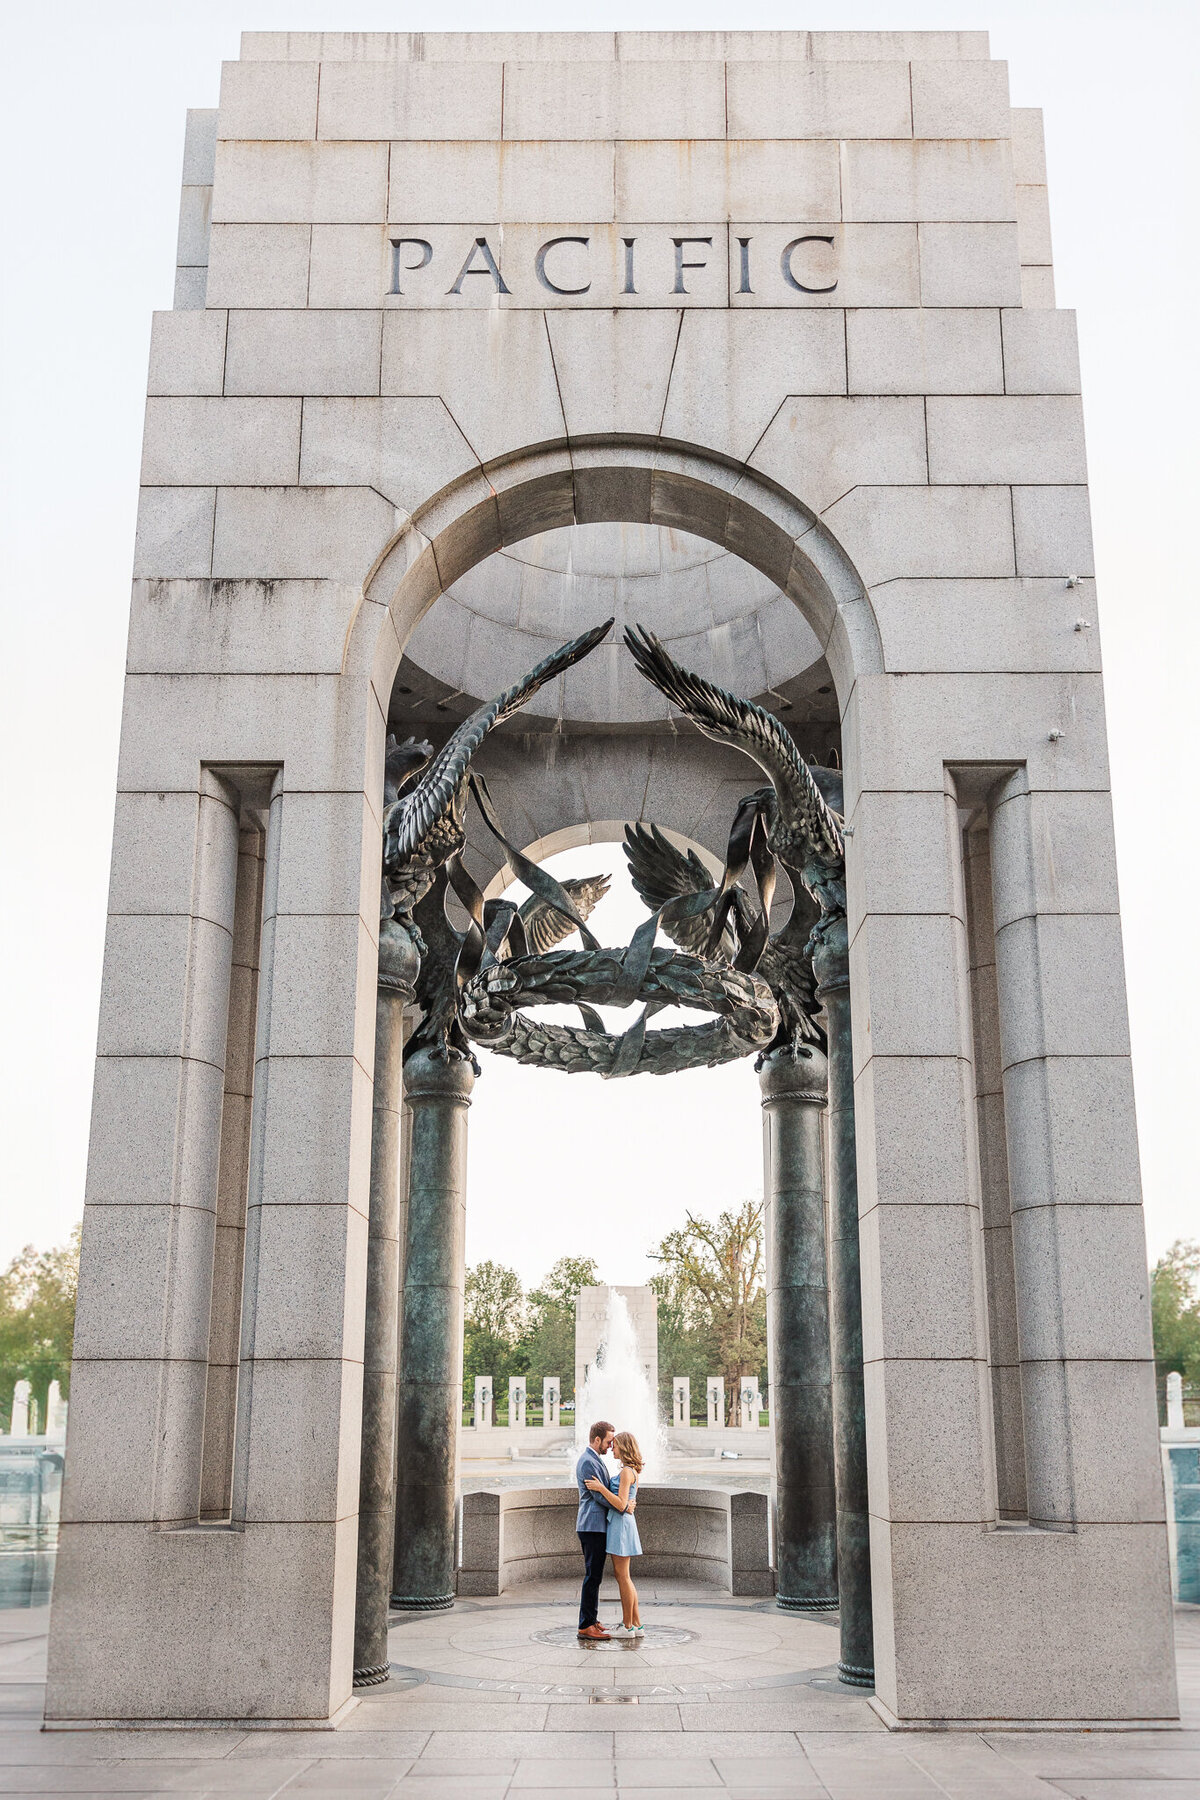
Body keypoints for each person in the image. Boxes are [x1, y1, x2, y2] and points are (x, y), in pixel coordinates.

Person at [574, 1419, 624, 1640]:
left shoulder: (594, 1459)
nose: (610, 1446)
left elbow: (603, 1489)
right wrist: (622, 1505)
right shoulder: (588, 1461)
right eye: (608, 1441)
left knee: (595, 1576)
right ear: (597, 1439)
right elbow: (597, 1496)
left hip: (595, 1526)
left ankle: (592, 1620)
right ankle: (585, 1625)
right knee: (592, 1576)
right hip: (591, 1526)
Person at [595, 1430, 643, 1635]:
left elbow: (622, 1504)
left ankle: (627, 1626)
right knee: (625, 1577)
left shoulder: (626, 1472)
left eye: (614, 1445)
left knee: (622, 1577)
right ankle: (636, 1624)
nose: (611, 1448)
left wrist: (600, 1488)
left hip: (621, 1525)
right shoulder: (631, 1471)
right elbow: (627, 1503)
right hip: (622, 1523)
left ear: (623, 1447)